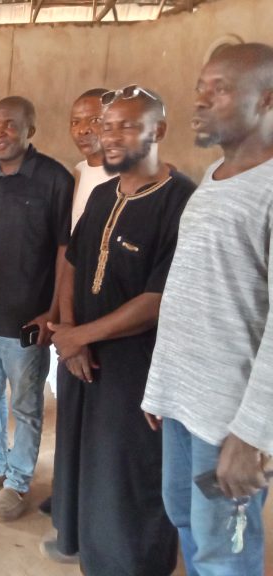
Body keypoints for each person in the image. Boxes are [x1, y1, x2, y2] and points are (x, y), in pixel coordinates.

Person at [45, 86, 195, 574]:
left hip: (138, 366)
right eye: (106, 126)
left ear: (159, 131)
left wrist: (82, 336)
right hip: (81, 355)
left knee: (128, 472)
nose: (109, 137)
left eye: (126, 126)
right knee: (84, 459)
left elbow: (157, 298)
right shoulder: (104, 193)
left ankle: (133, 564)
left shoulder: (181, 201)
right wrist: (68, 332)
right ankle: (88, 549)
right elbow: (72, 260)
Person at [142, 42, 273, 576]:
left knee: (226, 552)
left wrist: (254, 435)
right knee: (188, 523)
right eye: (200, 88)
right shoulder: (215, 179)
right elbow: (189, 293)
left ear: (266, 99)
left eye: (218, 89)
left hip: (229, 420)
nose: (199, 101)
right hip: (183, 404)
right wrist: (161, 385)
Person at [0, 96, 73, 521]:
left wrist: (54, 311)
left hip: (26, 319)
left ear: (31, 130)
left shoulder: (54, 180)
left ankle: (18, 481)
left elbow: (65, 249)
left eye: (10, 124)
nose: (0, 131)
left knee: (25, 404)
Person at [39, 88, 115, 518]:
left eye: (95, 120)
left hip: (111, 316)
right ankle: (68, 493)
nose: (84, 130)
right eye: (76, 121)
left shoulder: (146, 180)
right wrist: (63, 324)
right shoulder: (77, 175)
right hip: (75, 312)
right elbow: (68, 252)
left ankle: (95, 504)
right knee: (71, 412)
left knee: (105, 421)